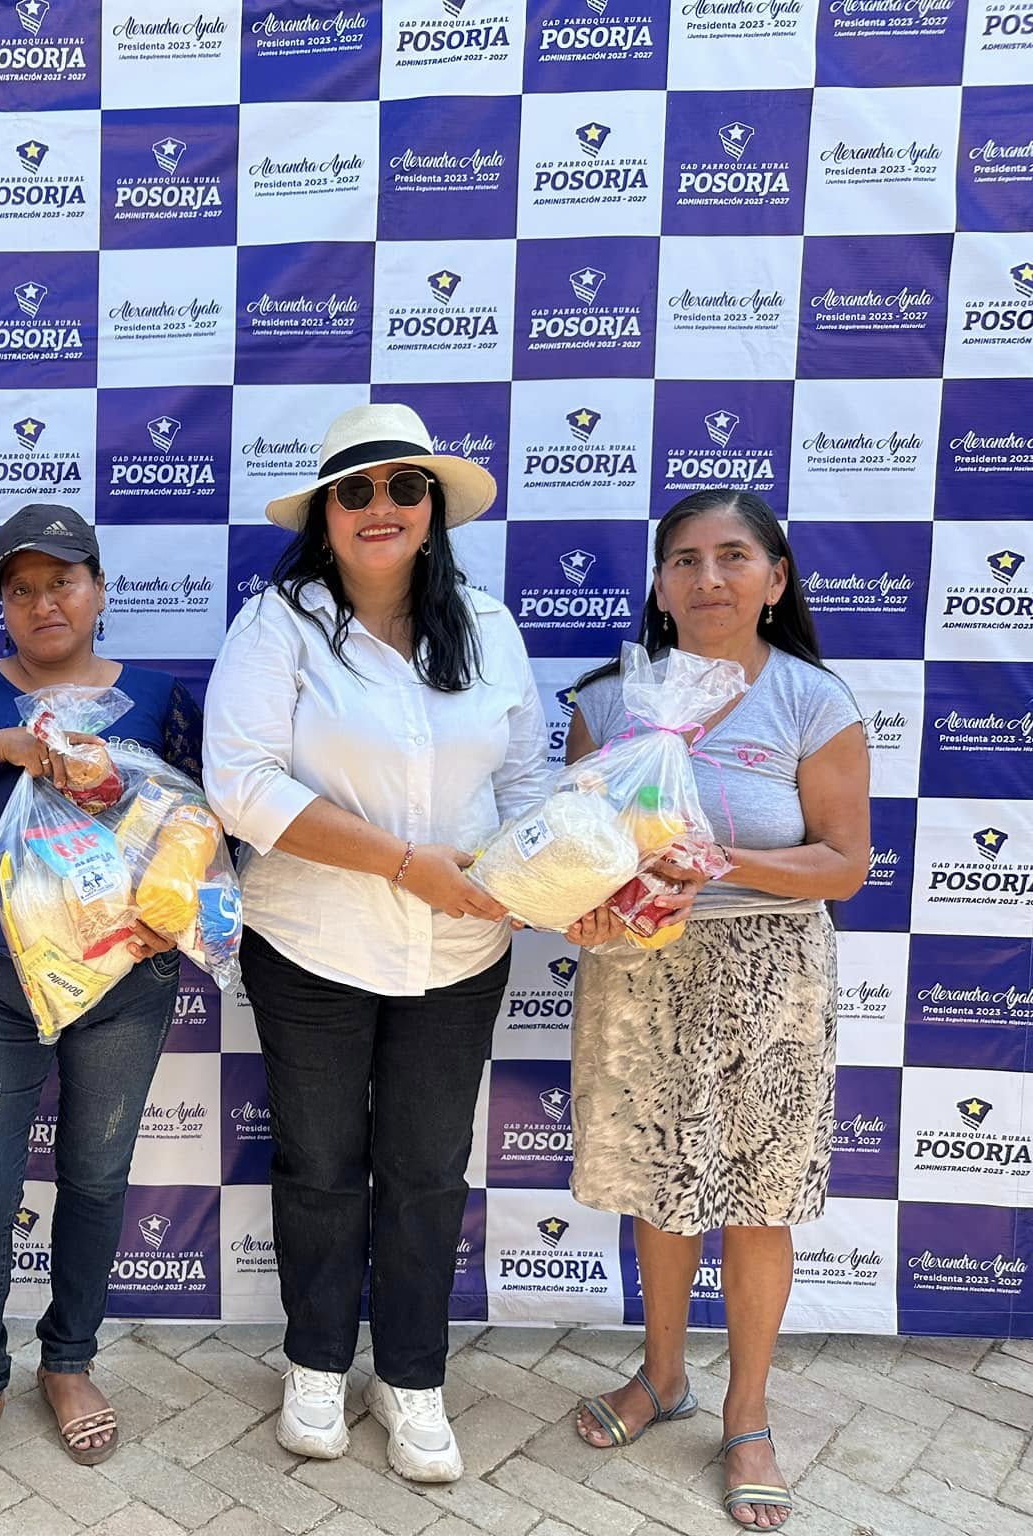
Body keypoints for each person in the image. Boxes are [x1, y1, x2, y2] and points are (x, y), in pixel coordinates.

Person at [203, 402, 549, 1483]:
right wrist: (404, 863)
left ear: (433, 506)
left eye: (403, 486)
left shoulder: (486, 626)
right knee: (317, 1168)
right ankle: (315, 1363)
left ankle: (410, 1378)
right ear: (325, 516)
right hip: (310, 943)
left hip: (459, 956)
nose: (380, 506)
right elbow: (241, 786)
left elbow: (525, 781)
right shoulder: (277, 626)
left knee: (426, 1173)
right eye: (353, 491)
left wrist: (538, 879)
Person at [0, 504, 204, 1491]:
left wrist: (174, 910)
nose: (42, 602)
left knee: (96, 1178)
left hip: (124, 980)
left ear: (99, 589)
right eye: (19, 589)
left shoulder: (155, 697)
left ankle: (67, 1362)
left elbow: (205, 829)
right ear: (1, 607)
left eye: (61, 581)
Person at [562, 490, 867, 1531]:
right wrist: (582, 904)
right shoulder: (609, 703)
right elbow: (577, 853)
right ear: (658, 586)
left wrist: (720, 861)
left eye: (733, 556)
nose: (707, 578)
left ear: (775, 580)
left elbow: (844, 865)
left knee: (757, 1199)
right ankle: (660, 1378)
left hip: (770, 977)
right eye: (683, 560)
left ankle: (746, 1413)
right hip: (639, 975)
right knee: (658, 1186)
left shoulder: (812, 700)